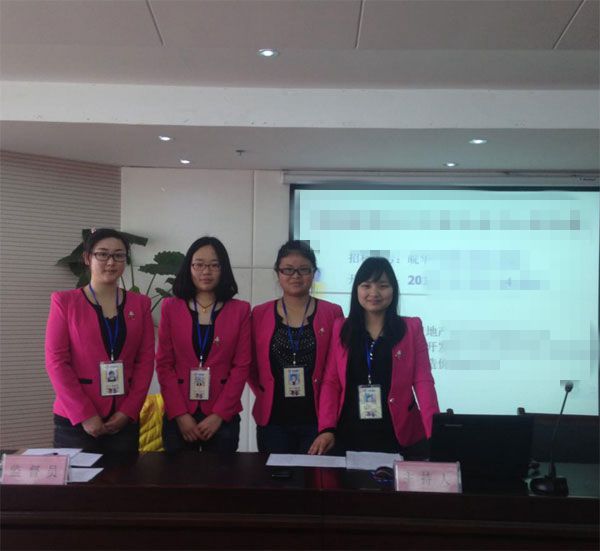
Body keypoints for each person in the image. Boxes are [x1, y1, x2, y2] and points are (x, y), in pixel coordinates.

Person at [309, 257, 439, 455]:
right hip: (349, 433)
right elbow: (331, 382)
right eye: (366, 285)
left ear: (393, 290)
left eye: (383, 286)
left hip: (399, 434)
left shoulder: (411, 328)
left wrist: (435, 433)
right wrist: (327, 428)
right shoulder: (341, 328)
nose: (374, 293)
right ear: (357, 290)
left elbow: (423, 382)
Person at [45, 228, 155, 453]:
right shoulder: (65, 302)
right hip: (76, 421)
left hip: (123, 420)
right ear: (87, 258)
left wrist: (128, 411)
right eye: (102, 254)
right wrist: (85, 415)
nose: (111, 262)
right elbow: (56, 362)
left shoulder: (140, 304)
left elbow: (145, 362)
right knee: (79, 477)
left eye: (119, 255)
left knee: (124, 476)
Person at [156, 236, 250, 453]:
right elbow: (164, 364)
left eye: (214, 265)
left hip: (222, 416)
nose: (206, 271)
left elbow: (241, 366)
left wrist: (219, 415)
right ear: (188, 267)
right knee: (178, 474)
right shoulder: (171, 307)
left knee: (220, 474)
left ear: (223, 269)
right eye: (199, 264)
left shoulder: (240, 310)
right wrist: (180, 414)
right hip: (179, 414)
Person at [249, 240, 343, 454]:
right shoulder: (260, 314)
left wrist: (329, 424)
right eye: (288, 270)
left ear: (314, 273)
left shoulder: (332, 313)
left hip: (317, 421)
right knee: (275, 474)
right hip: (273, 420)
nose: (296, 276)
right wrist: (264, 392)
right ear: (278, 273)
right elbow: (251, 365)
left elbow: (336, 370)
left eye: (304, 270)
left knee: (316, 475)